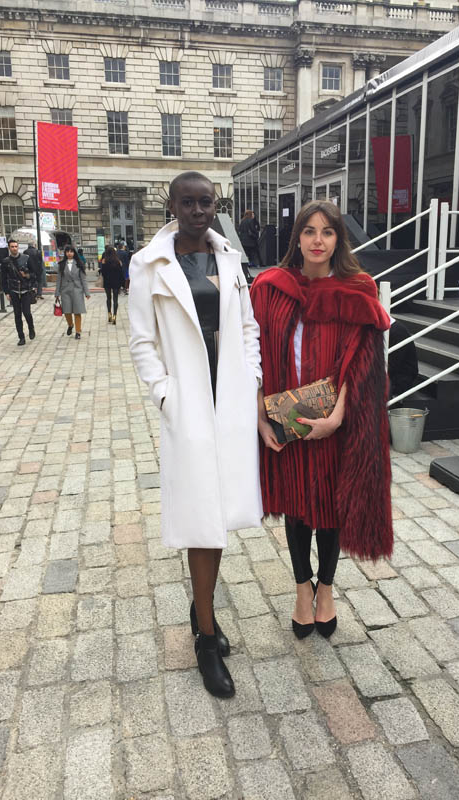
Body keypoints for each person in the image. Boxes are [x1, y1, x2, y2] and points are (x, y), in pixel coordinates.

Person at [128, 171, 262, 699]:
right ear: (172, 205)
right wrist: (165, 394)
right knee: (202, 521)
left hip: (227, 398)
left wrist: (251, 376)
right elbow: (142, 341)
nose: (198, 211)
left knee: (219, 515)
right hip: (188, 402)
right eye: (188, 202)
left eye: (206, 202)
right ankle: (206, 637)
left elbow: (247, 326)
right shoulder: (149, 264)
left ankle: (200, 609)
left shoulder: (228, 258)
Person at [250, 200, 393, 640]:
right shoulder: (270, 288)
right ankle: (301, 589)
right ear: (297, 238)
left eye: (327, 232)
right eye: (309, 231)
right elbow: (251, 355)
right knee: (297, 505)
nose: (317, 240)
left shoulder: (357, 288)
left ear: (338, 239)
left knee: (330, 507)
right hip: (286, 419)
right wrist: (260, 417)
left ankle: (326, 590)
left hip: (334, 422)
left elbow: (363, 360)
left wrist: (337, 417)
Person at [0, 239, 37, 346]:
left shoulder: (26, 258)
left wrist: (27, 276)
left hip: (25, 289)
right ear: (9, 248)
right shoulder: (6, 261)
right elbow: (3, 279)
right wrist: (6, 292)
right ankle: (21, 337)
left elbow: (34, 274)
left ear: (18, 247)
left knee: (27, 313)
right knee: (17, 315)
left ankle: (31, 328)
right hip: (13, 290)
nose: (14, 248)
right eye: (12, 247)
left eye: (16, 246)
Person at [55, 245, 90, 339]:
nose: (69, 253)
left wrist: (87, 292)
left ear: (74, 253)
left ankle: (78, 332)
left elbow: (83, 279)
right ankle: (70, 325)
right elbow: (59, 280)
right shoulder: (61, 264)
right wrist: (57, 293)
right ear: (65, 253)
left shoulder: (79, 263)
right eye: (67, 252)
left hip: (77, 290)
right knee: (67, 311)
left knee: (77, 311)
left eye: (71, 251)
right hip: (65, 290)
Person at [388, 317, 419, 402]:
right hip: (394, 371)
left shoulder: (397, 331)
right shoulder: (390, 329)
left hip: (402, 377)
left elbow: (392, 365)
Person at [100, 245, 125, 324]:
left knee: (108, 298)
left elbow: (103, 273)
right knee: (115, 299)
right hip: (116, 282)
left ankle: (109, 314)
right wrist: (122, 284)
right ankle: (114, 315)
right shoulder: (118, 262)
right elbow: (121, 274)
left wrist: (103, 266)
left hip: (107, 282)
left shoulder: (104, 261)